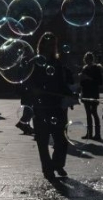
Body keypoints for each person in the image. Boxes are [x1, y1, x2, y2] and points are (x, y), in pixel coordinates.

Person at [29, 32, 74, 179]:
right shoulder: (34, 62)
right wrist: (33, 89)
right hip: (40, 107)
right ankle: (47, 169)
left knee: (62, 140)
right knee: (42, 140)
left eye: (54, 44)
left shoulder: (57, 63)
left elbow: (62, 84)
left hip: (57, 106)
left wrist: (71, 95)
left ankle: (57, 164)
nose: (52, 47)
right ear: (41, 45)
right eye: (49, 44)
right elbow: (25, 84)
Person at [80, 52, 103, 140]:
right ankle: (89, 134)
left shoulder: (96, 68)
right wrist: (82, 79)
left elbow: (100, 82)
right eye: (86, 59)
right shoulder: (84, 68)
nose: (87, 60)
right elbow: (82, 83)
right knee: (88, 114)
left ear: (91, 59)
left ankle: (97, 134)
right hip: (86, 93)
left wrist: (88, 78)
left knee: (94, 112)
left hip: (93, 93)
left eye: (88, 59)